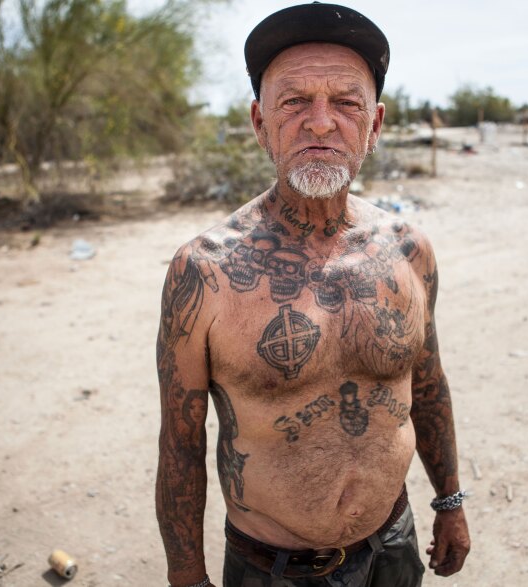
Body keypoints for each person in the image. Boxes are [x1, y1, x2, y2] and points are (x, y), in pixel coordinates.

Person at [156, 4, 470, 586]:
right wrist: (186, 574)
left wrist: (449, 501)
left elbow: (426, 385)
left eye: (346, 103)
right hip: (271, 569)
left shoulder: (409, 251)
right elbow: (180, 443)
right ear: (260, 123)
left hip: (394, 546)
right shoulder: (204, 271)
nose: (321, 122)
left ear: (374, 126)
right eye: (295, 101)